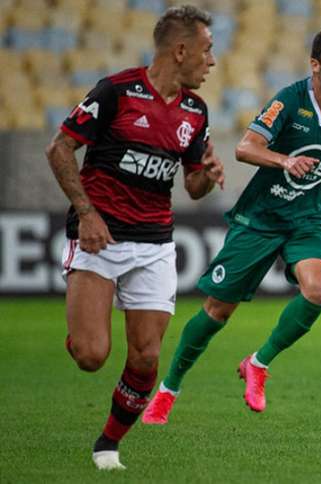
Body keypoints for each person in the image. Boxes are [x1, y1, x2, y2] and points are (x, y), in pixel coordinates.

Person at [142, 28, 321, 424]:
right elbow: (245, 147)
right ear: (315, 65)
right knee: (217, 311)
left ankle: (258, 363)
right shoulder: (289, 101)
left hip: (308, 218)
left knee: (319, 290)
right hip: (261, 218)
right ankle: (168, 389)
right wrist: (285, 161)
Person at [45, 5, 223, 470]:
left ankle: (107, 444)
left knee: (145, 357)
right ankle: (81, 332)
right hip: (100, 238)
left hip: (154, 241)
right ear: (180, 50)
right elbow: (60, 148)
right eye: (206, 51)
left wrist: (207, 175)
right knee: (91, 355)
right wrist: (86, 213)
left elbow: (193, 185)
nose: (212, 61)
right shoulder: (117, 92)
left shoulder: (195, 111)